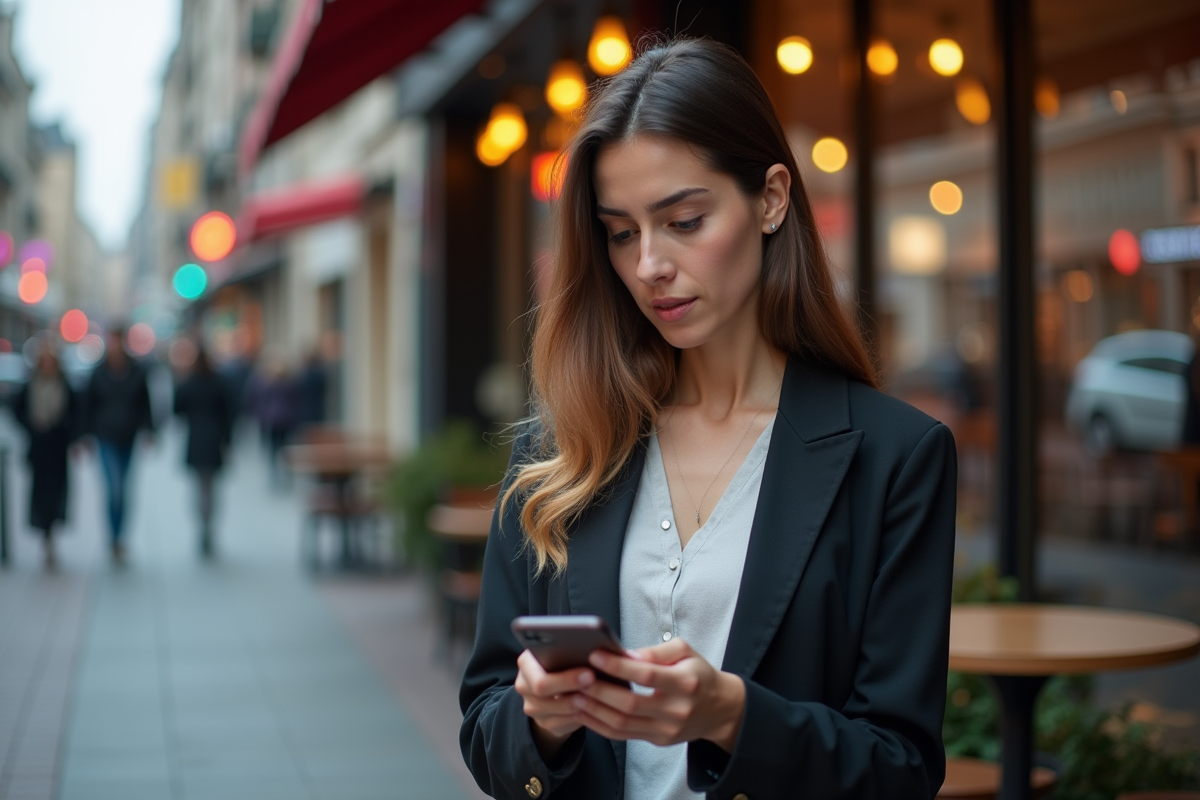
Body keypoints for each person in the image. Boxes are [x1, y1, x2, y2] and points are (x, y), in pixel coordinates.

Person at [459, 38, 957, 800]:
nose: (649, 264)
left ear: (771, 199)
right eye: (621, 233)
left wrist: (735, 717)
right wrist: (541, 722)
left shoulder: (895, 458)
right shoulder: (560, 448)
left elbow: (901, 767)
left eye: (684, 220)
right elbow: (486, 722)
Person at [84, 327, 155, 563]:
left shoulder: (136, 371)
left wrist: (149, 430)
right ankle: (113, 537)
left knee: (123, 489)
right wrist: (84, 435)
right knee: (113, 488)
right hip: (105, 436)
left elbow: (145, 403)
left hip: (128, 436)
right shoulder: (98, 373)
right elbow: (87, 406)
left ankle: (120, 536)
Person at [13, 340, 81, 569]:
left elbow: (75, 413)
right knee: (39, 491)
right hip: (38, 446)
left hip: (58, 446)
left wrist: (71, 436)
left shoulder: (65, 384)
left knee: (57, 491)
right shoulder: (30, 384)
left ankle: (52, 529)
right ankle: (44, 531)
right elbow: (17, 410)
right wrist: (31, 426)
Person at [173, 346, 234, 557]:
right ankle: (208, 525)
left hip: (196, 439)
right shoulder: (219, 383)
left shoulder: (188, 383)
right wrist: (228, 441)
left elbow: (177, 409)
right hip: (214, 439)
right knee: (211, 487)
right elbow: (230, 414)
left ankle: (202, 523)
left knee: (200, 487)